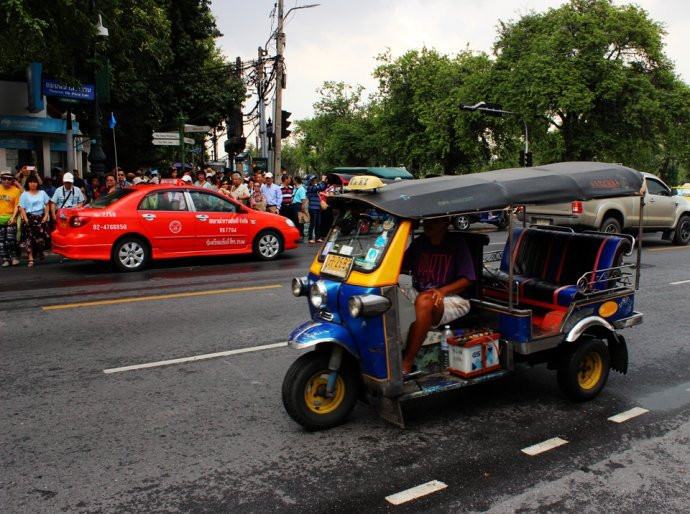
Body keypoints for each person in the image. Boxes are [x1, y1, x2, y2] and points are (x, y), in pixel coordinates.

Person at [400, 217, 476, 374]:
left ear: (446, 223)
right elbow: (400, 265)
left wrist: (442, 291)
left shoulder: (457, 243)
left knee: (425, 301)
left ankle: (407, 362)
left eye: (434, 222)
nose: (428, 225)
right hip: (423, 292)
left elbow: (468, 279)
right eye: (426, 222)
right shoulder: (421, 242)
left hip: (453, 297)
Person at [18, 175, 51, 267]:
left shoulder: (42, 193)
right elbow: (22, 208)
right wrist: (25, 219)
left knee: (40, 239)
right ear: (28, 183)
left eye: (35, 182)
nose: (33, 184)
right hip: (29, 217)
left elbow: (47, 204)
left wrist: (46, 215)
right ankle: (31, 258)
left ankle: (40, 252)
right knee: (28, 240)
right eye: (31, 182)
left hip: (40, 218)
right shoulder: (24, 194)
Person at [0, 170, 21, 266]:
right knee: (1, 242)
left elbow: (17, 205)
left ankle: (15, 257)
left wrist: (13, 217)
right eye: (4, 179)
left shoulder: (16, 191)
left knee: (10, 241)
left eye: (9, 179)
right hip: (0, 218)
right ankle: (5, 259)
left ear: (12, 180)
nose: (6, 181)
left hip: (10, 218)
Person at [306, 174, 326, 243]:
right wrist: (322, 181)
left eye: (314, 179)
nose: (314, 180)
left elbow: (323, 188)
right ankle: (310, 238)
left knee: (318, 223)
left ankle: (317, 237)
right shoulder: (309, 187)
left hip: (318, 207)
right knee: (312, 223)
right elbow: (320, 188)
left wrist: (322, 182)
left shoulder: (315, 186)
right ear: (310, 181)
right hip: (312, 208)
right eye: (313, 179)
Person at [291, 176, 307, 240]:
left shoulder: (301, 189)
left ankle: (301, 234)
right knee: (295, 220)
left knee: (300, 220)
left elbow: (303, 199)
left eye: (293, 180)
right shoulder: (295, 188)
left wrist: (302, 207)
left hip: (298, 205)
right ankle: (297, 234)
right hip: (294, 205)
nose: (293, 181)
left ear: (296, 181)